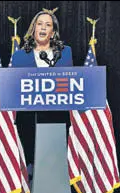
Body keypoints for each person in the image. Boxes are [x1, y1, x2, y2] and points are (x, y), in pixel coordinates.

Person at [11, 8, 73, 164]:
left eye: (48, 25)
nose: (43, 28)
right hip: (29, 120)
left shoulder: (65, 53)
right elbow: (13, 88)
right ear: (33, 29)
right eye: (39, 24)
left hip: (57, 119)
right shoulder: (19, 56)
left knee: (55, 164)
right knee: (31, 164)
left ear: (53, 32)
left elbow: (70, 85)